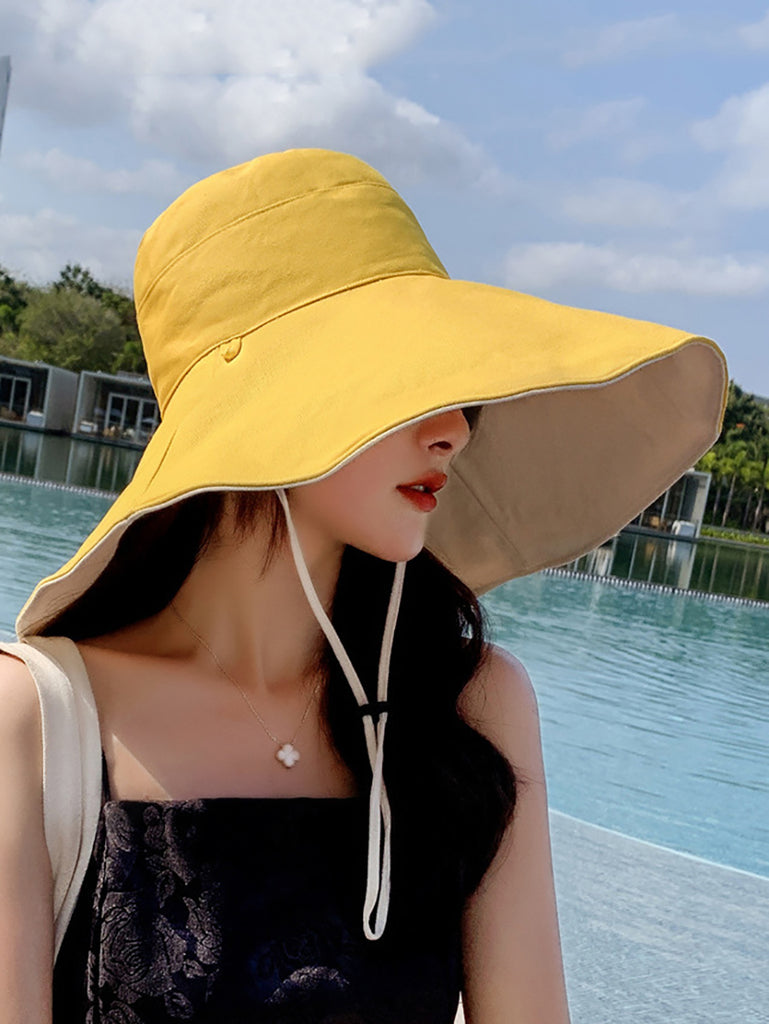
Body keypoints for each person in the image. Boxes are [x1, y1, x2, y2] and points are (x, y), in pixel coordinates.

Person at [0, 148, 727, 1023]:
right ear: (268, 404)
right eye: (404, 382)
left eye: (455, 387)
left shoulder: (470, 707)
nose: (455, 428)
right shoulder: (35, 720)